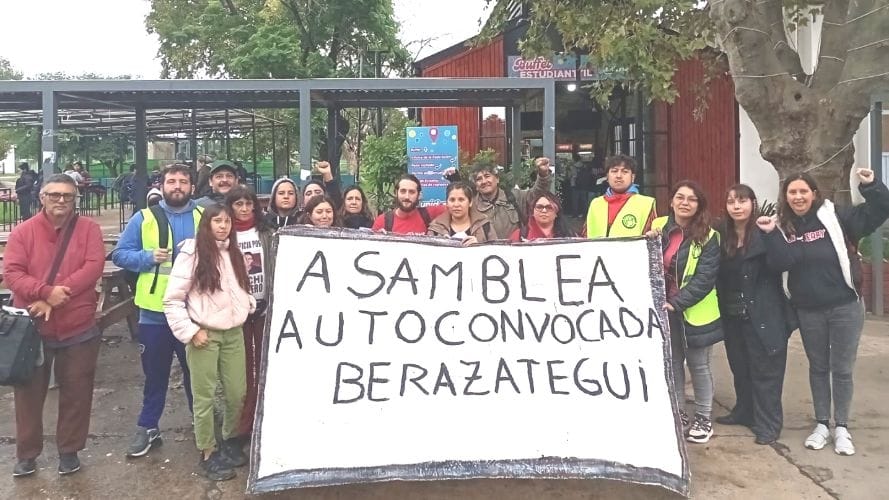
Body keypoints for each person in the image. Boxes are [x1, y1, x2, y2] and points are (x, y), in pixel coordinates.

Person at [757, 169, 889, 455]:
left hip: (845, 306)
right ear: (786, 197)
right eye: (792, 192)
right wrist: (769, 234)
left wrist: (871, 185)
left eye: (803, 191)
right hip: (808, 309)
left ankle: (841, 427)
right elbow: (778, 262)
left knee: (841, 370)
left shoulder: (837, 217)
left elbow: (880, 210)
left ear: (814, 193)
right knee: (818, 368)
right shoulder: (783, 226)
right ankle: (821, 424)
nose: (798, 196)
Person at [4, 174, 105, 477]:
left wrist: (58, 295)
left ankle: (69, 450)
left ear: (76, 199)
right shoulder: (23, 232)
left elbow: (93, 266)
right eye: (54, 195)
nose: (61, 200)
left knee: (77, 389)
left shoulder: (89, 229)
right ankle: (27, 453)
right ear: (42, 197)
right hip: (32, 328)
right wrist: (45, 293)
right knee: (28, 393)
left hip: (77, 322)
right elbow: (12, 272)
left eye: (68, 196)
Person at [112, 164, 203, 459]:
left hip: (194, 312)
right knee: (155, 375)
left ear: (192, 186)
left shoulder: (205, 217)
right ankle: (148, 426)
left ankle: (201, 424)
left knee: (197, 375)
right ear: (162, 185)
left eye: (183, 181)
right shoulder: (144, 218)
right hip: (154, 313)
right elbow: (120, 254)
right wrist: (147, 257)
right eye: (172, 181)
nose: (178, 186)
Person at [163, 203, 255, 481]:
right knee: (203, 397)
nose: (223, 226)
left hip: (233, 333)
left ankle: (228, 438)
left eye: (227, 221)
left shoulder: (233, 253)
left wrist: (246, 304)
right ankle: (207, 450)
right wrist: (191, 332)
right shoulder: (192, 254)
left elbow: (240, 287)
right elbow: (172, 299)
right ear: (207, 224)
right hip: (205, 333)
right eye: (217, 221)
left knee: (237, 392)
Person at [715, 184, 795, 445]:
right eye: (731, 202)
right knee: (741, 367)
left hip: (764, 314)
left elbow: (784, 262)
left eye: (741, 201)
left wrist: (772, 234)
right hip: (733, 314)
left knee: (766, 373)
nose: (736, 206)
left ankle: (769, 424)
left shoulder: (765, 231)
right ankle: (745, 411)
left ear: (753, 203)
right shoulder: (722, 235)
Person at [650, 180, 722, 444]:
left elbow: (705, 278)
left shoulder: (710, 236)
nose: (685, 203)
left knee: (699, 366)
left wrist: (677, 303)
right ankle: (679, 413)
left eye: (692, 199)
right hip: (665, 309)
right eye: (680, 197)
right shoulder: (658, 227)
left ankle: (703, 417)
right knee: (674, 365)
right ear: (671, 201)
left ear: (699, 205)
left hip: (696, 313)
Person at [225, 186, 274, 442]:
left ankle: (258, 419)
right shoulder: (224, 234)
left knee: (262, 366)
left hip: (264, 307)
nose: (244, 209)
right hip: (235, 312)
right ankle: (240, 425)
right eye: (238, 205)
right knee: (240, 372)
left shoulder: (266, 233)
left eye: (248, 204)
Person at [459, 157, 554, 239]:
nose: (484, 181)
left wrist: (543, 175)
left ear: (497, 179)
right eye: (479, 179)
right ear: (476, 185)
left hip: (515, 254)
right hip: (485, 256)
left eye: (487, 176)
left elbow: (537, 193)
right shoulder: (472, 207)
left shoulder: (515, 197)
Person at [585, 154, 656, 238]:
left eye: (625, 172)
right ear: (607, 177)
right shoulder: (596, 203)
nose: (619, 176)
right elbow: (585, 235)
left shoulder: (646, 203)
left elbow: (653, 237)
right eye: (614, 171)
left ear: (632, 177)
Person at [372, 174, 447, 235]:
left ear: (419, 195)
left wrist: (455, 180)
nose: (407, 196)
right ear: (396, 193)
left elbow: (455, 207)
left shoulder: (430, 213)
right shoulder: (383, 221)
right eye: (403, 191)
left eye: (412, 192)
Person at [427, 181, 496, 245]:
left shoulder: (485, 225)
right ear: (447, 203)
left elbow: (495, 252)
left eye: (461, 199)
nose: (456, 204)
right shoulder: (435, 228)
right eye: (452, 200)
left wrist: (479, 245)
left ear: (470, 202)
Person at [509, 190, 576, 241]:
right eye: (539, 207)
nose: (544, 211)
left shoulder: (570, 235)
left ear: (556, 213)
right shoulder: (519, 236)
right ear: (532, 212)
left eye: (549, 207)